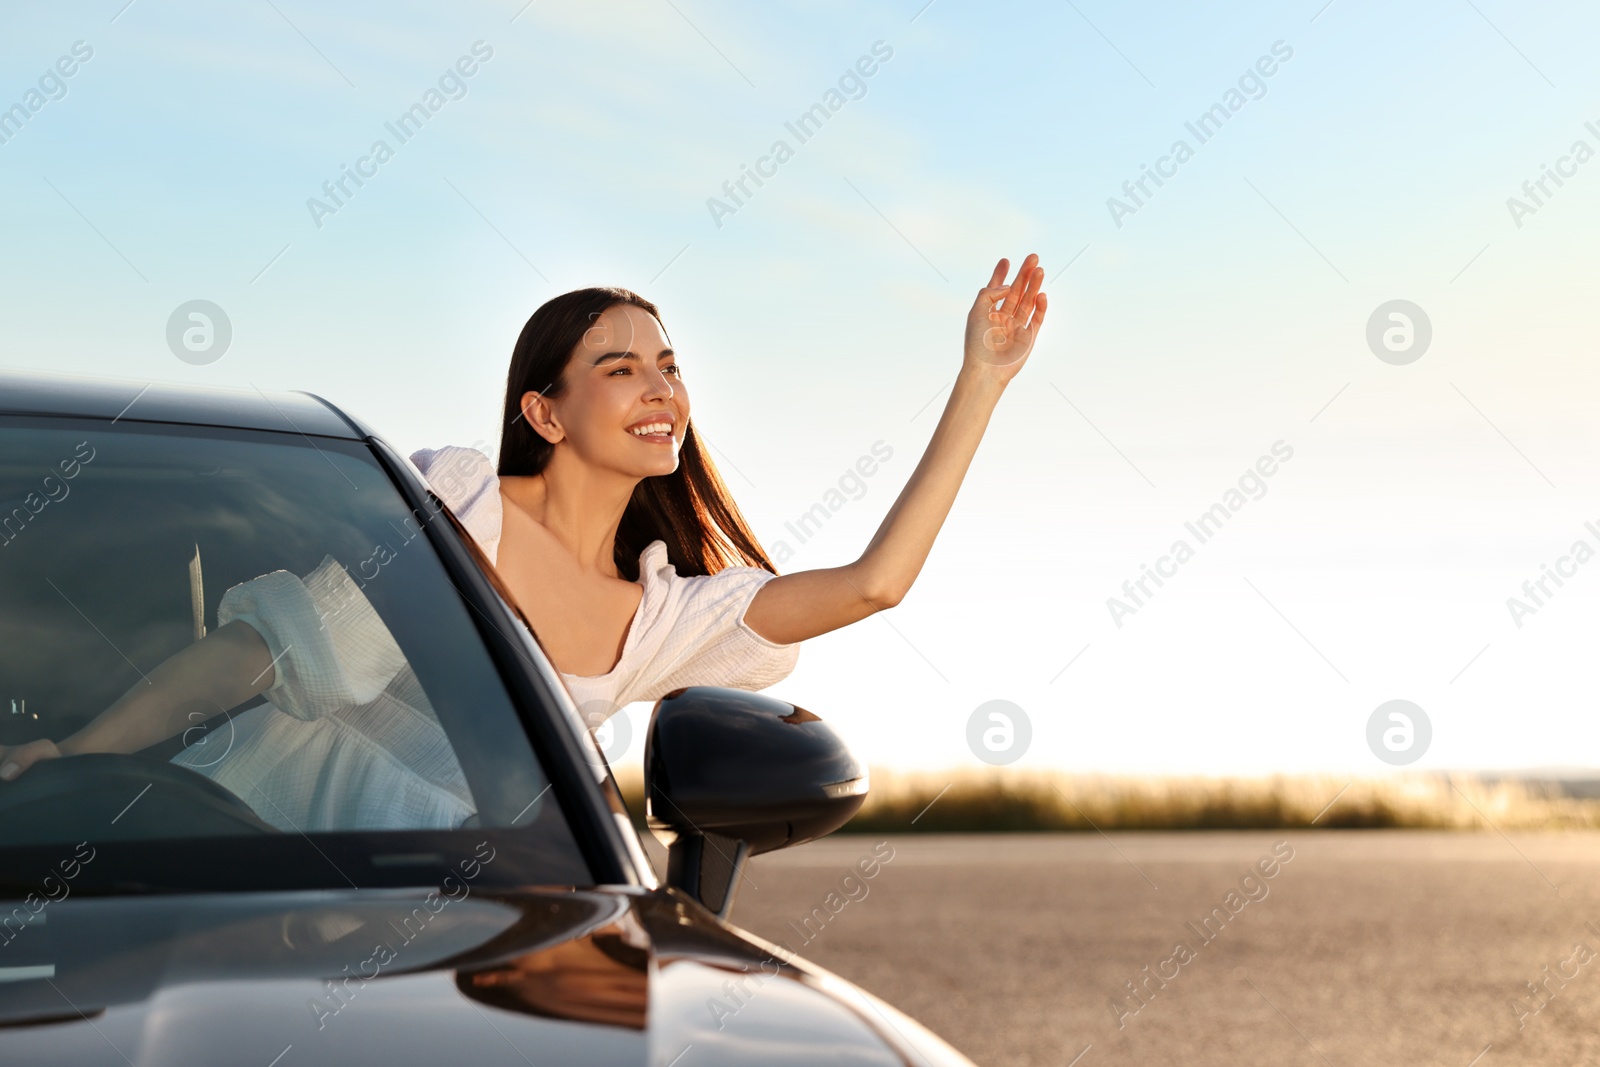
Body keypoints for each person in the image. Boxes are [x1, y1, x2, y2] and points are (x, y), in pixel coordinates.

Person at [0, 254, 1048, 814]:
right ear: (543, 413)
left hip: (478, 922)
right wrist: (75, 756)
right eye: (620, 366)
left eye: (670, 364)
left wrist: (981, 382)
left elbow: (874, 583)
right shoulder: (464, 504)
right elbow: (252, 654)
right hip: (250, 839)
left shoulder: (666, 611)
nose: (661, 388)